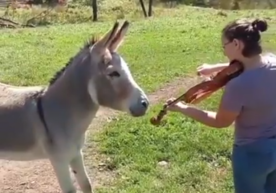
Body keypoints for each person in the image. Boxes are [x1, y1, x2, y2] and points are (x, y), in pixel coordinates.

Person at [166, 18, 276, 193]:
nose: (224, 51)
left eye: (224, 46)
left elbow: (220, 121)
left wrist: (183, 108)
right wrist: (215, 67)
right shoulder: (272, 62)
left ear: (236, 44)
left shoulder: (239, 85)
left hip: (252, 155)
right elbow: (249, 65)